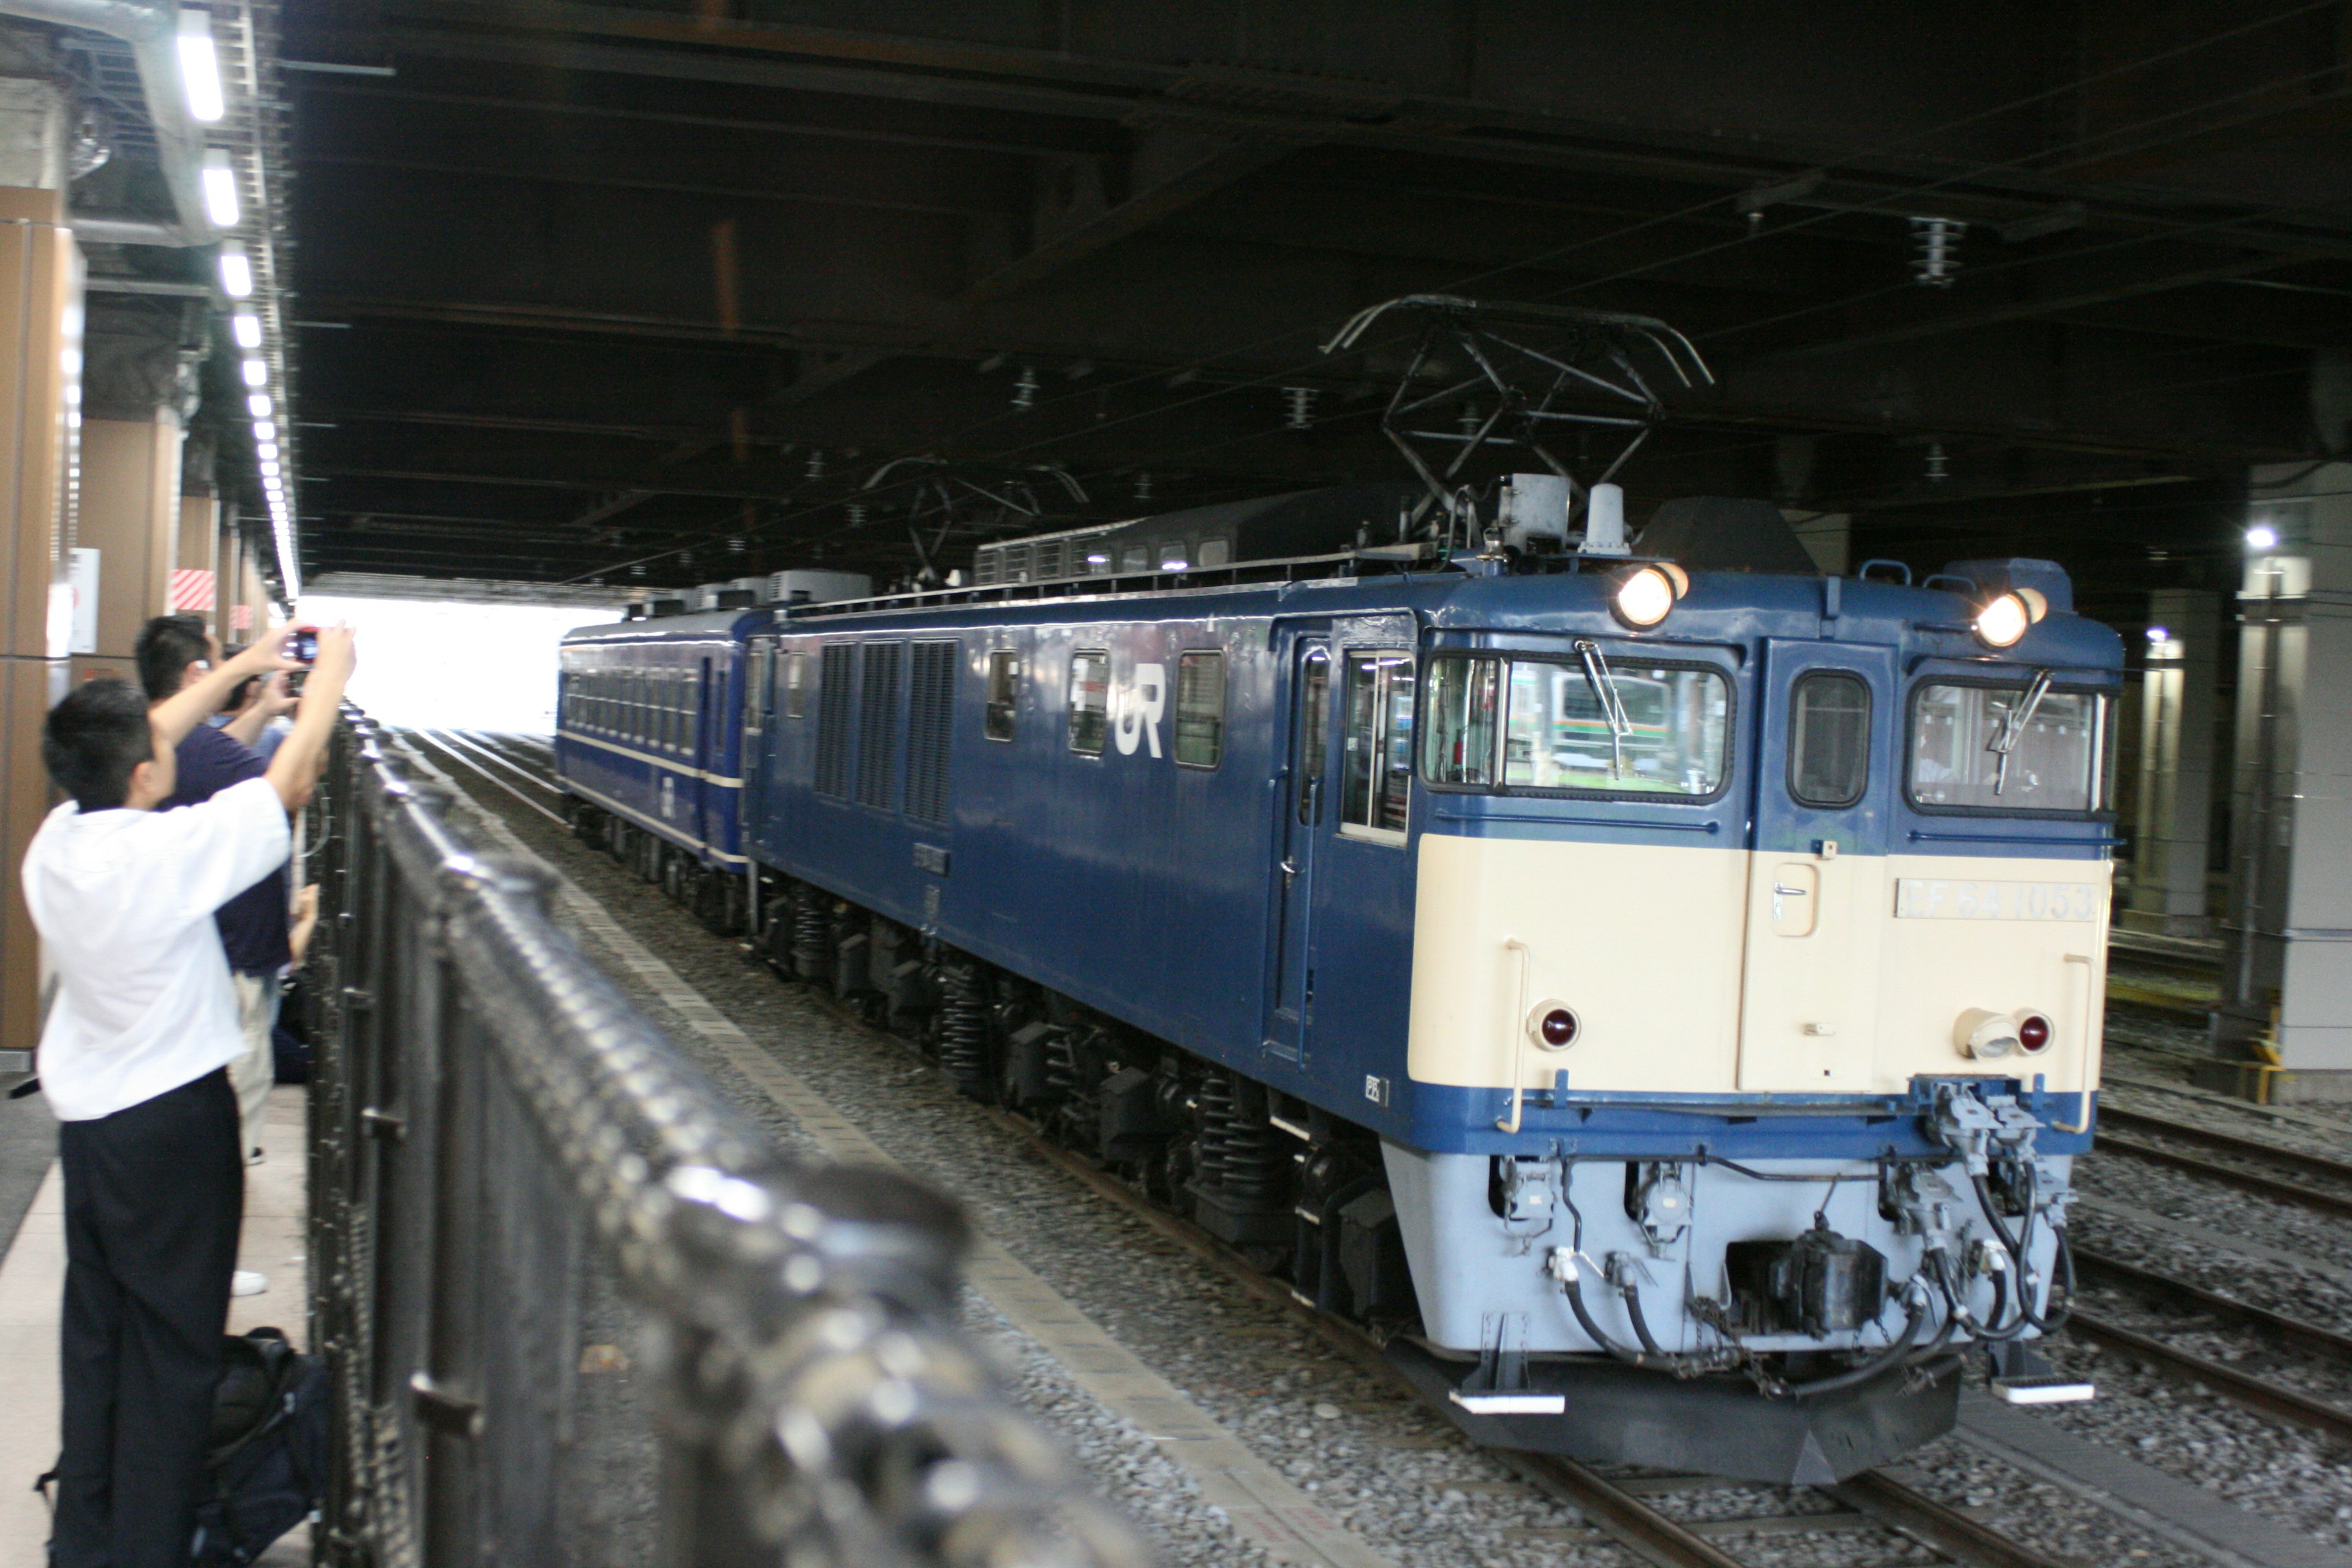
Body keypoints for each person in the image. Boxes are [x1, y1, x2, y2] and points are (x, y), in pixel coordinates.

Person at [23, 624, 355, 1568]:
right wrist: (331, 675)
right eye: (156, 749)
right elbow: (285, 786)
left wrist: (247, 671)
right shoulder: (164, 855)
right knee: (174, 1358)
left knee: (98, 1347)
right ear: (140, 776)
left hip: (91, 1133)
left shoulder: (61, 842)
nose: (168, 746)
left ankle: (84, 1545)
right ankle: (152, 1549)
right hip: (174, 1128)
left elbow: (132, 738)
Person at [134, 619, 300, 1208]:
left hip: (192, 957)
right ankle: (210, 1225)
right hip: (229, 956)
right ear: (195, 674)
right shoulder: (202, 751)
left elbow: (195, 738)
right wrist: (326, 690)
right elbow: (291, 785)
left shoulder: (147, 750)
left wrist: (260, 705)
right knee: (234, 1092)